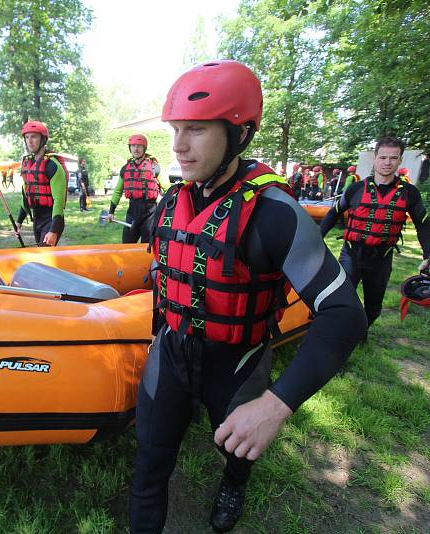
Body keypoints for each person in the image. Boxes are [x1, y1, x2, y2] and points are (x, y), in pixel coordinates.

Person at [129, 60, 367, 534]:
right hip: (173, 352)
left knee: (235, 450)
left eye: (195, 130)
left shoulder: (275, 213)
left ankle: (234, 483)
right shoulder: (170, 200)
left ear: (239, 133)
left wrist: (275, 405)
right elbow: (163, 271)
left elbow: (345, 315)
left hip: (237, 360)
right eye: (176, 129)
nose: (178, 146)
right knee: (149, 467)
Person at [319, 136, 430, 330]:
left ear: (400, 160)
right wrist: (316, 239)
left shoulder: (409, 193)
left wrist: (429, 257)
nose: (387, 163)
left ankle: (362, 332)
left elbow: (423, 225)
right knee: (341, 298)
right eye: (382, 157)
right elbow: (333, 214)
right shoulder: (355, 189)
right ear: (375, 158)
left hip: (381, 258)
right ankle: (339, 333)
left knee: (373, 306)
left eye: (393, 158)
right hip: (351, 254)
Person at [107, 134, 169, 244]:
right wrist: (111, 211)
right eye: (133, 146)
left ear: (144, 148)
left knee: (147, 249)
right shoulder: (125, 169)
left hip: (150, 214)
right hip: (132, 213)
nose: (136, 149)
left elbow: (168, 189)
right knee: (127, 246)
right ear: (130, 148)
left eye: (139, 146)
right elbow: (117, 192)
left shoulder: (155, 167)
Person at [16, 120, 68, 246]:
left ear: (43, 139)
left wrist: (53, 230)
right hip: (37, 217)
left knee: (45, 254)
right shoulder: (27, 164)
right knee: (41, 253)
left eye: (34, 136)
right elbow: (26, 194)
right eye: (27, 137)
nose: (30, 141)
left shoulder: (52, 165)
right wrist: (19, 221)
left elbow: (59, 201)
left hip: (52, 218)